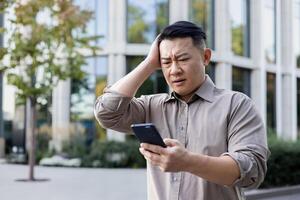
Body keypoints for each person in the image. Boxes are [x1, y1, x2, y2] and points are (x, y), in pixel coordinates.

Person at [94, 21, 269, 200]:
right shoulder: (151, 106)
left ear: (206, 57)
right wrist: (148, 63)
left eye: (183, 59)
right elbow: (106, 113)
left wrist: (188, 162)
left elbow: (251, 170)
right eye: (166, 62)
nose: (174, 70)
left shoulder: (236, 105)